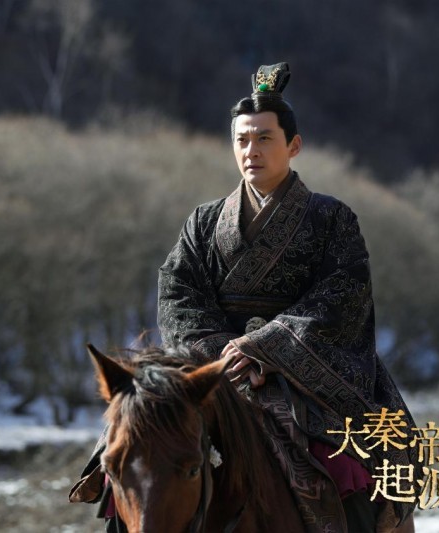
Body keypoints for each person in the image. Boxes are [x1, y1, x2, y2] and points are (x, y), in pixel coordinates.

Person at [156, 62, 419, 532]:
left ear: (293, 145)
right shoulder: (204, 222)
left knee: (346, 468)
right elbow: (177, 293)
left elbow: (342, 296)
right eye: (241, 140)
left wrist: (266, 347)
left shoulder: (331, 219)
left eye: (264, 138)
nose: (251, 150)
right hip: (218, 368)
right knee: (134, 452)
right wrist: (223, 353)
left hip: (307, 374)